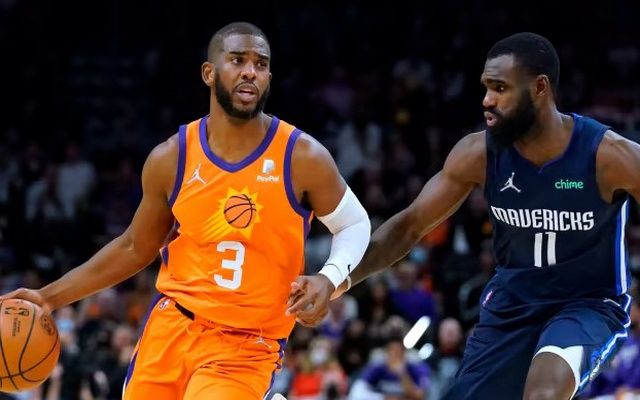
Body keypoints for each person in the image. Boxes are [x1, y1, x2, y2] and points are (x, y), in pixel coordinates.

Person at [1, 22, 371, 399]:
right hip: (171, 329)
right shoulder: (171, 157)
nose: (250, 71)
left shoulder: (302, 157)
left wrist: (329, 278)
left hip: (246, 345)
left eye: (260, 64)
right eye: (238, 60)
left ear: (268, 78)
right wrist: (49, 297)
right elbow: (134, 247)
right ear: (209, 73)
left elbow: (355, 223)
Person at [288, 32, 640, 399]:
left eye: (500, 88)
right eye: (486, 87)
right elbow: (408, 226)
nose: (487, 100)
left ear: (540, 88)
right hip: (512, 305)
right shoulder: (478, 154)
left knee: (543, 393)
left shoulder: (608, 155)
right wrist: (334, 280)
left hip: (587, 304)